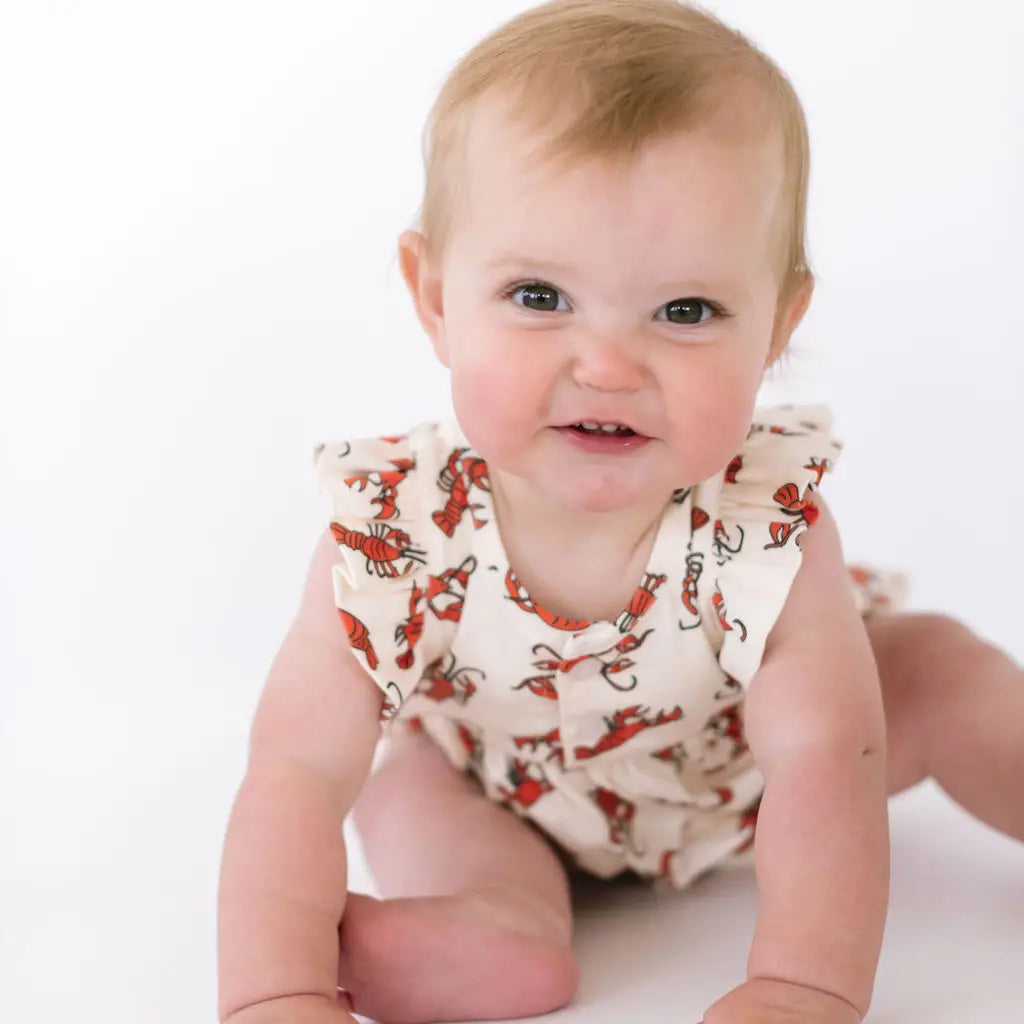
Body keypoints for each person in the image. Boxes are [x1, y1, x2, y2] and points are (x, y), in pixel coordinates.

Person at [216, 2, 1024, 1022]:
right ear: (433, 298)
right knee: (408, 782)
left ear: (774, 325)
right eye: (539, 296)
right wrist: (272, 993)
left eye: (684, 311)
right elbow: (294, 764)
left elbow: (826, 756)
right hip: (497, 787)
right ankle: (495, 927)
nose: (605, 366)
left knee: (937, 671)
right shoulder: (394, 531)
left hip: (743, 787)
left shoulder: (763, 529)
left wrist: (801, 983)